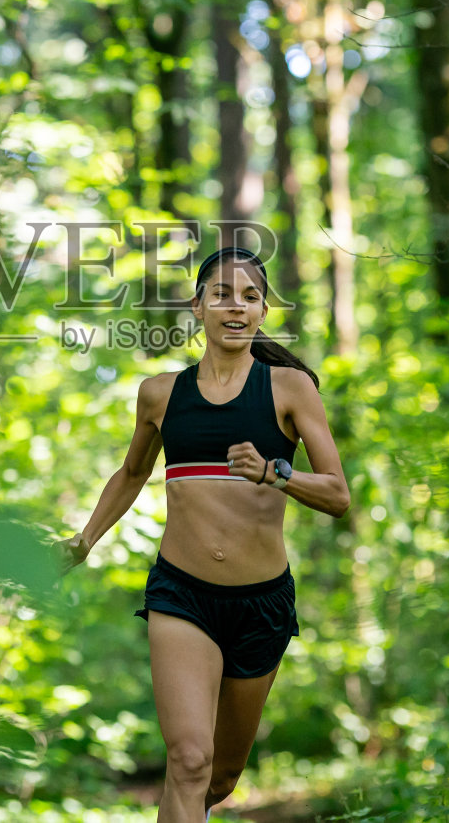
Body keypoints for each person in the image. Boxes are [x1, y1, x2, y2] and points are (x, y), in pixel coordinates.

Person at [60, 245, 351, 822]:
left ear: (264, 310)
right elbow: (133, 473)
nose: (235, 306)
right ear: (199, 308)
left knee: (217, 779)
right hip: (182, 595)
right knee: (189, 759)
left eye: (249, 296)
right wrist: (84, 540)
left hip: (261, 603)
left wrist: (275, 471)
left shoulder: (289, 388)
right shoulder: (161, 394)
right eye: (221, 295)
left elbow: (338, 495)